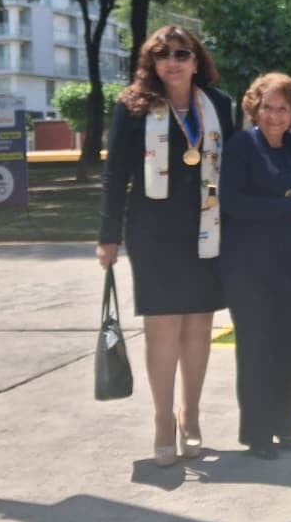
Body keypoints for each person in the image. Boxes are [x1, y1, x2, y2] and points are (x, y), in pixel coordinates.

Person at [97, 25, 234, 467]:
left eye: (182, 53)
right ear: (150, 62)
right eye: (162, 55)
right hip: (154, 232)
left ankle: (189, 415)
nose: (172, 62)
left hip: (208, 228)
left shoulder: (219, 105)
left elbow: (231, 169)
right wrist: (108, 236)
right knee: (163, 329)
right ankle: (161, 419)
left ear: (197, 60)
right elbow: (116, 174)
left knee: (198, 326)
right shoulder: (133, 107)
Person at [219, 72, 291, 460]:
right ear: (254, 109)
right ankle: (257, 435)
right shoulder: (241, 146)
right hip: (249, 269)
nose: (274, 115)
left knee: (289, 349)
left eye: (282, 108)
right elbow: (233, 202)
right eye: (268, 107)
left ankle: (285, 428)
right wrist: (288, 207)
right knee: (256, 350)